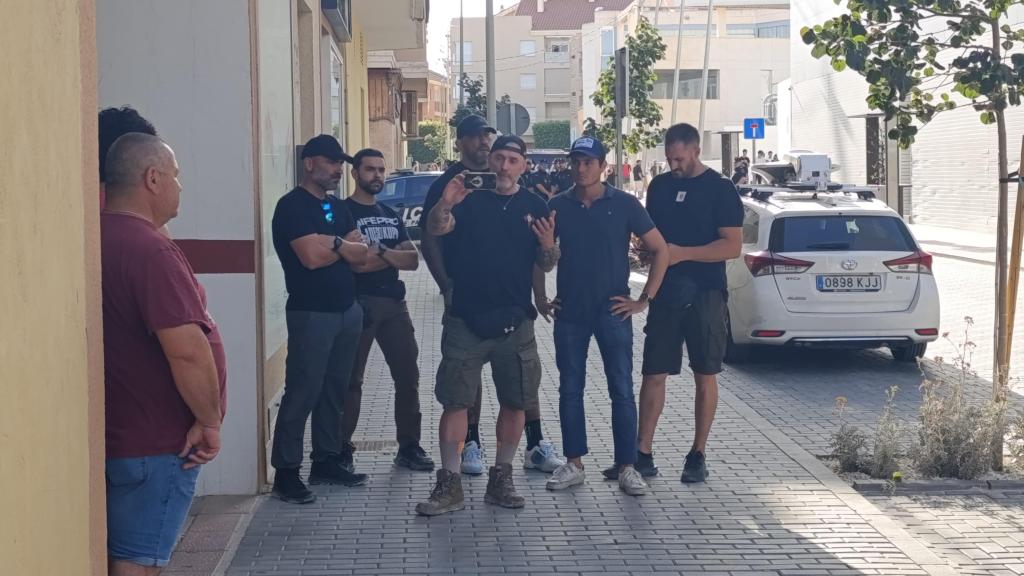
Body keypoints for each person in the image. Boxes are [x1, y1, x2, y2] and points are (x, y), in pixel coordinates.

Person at [101, 133, 227, 574]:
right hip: (155, 444)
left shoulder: (99, 236)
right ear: (152, 179)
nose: (180, 187)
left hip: (125, 436)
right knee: (138, 564)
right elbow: (187, 352)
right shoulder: (150, 250)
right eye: (176, 176)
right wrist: (210, 421)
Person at [416, 135, 560, 516]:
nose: (505, 166)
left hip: (516, 323)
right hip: (467, 318)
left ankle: (502, 478)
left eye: (513, 159)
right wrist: (445, 203)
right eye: (499, 158)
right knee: (455, 402)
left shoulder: (535, 205)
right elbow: (435, 229)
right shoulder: (467, 196)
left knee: (516, 402)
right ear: (490, 161)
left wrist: (548, 244)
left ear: (524, 166)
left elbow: (546, 263)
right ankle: (449, 484)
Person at [542, 137, 670, 497]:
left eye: (588, 162)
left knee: (622, 390)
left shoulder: (625, 204)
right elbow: (542, 255)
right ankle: (574, 463)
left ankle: (628, 466)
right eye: (576, 161)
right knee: (570, 388)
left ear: (603, 166)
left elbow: (661, 250)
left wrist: (644, 300)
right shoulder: (557, 206)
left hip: (613, 311)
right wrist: (540, 296)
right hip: (570, 311)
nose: (581, 168)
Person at [635, 123, 742, 484]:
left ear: (696, 151)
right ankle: (642, 452)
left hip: (706, 293)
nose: (673, 165)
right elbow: (653, 236)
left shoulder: (721, 189)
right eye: (668, 159)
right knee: (653, 372)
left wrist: (683, 254)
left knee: (705, 373)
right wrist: (647, 251)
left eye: (679, 158)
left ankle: (697, 454)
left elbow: (732, 246)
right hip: (665, 292)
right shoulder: (660, 187)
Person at [269, 134, 371, 504]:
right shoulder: (291, 206)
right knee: (303, 390)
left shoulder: (337, 207)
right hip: (311, 313)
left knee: (335, 390)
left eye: (340, 163)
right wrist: (343, 246)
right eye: (330, 162)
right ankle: (286, 471)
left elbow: (361, 255)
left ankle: (326, 459)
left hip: (347, 310)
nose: (338, 169)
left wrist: (337, 246)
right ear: (309, 163)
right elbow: (310, 257)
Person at [339, 149, 435, 473]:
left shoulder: (389, 213)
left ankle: (409, 447)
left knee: (408, 376)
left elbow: (412, 260)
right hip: (358, 304)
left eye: (381, 170)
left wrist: (376, 250)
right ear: (355, 173)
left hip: (395, 305)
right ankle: (341, 450)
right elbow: (356, 265)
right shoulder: (343, 213)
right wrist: (388, 254)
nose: (377, 175)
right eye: (370, 170)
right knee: (351, 380)